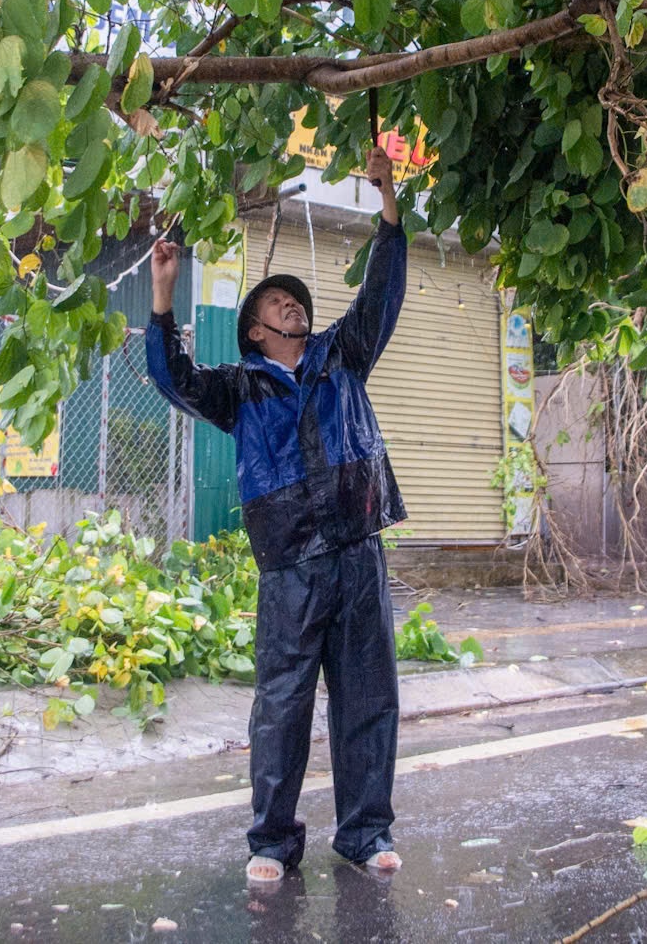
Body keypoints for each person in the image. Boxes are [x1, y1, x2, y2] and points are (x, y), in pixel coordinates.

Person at [146, 144, 408, 886]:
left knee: (367, 697)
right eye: (275, 303)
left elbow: (381, 294)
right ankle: (271, 841)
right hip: (290, 567)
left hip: (357, 554)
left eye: (295, 300)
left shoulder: (341, 355)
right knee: (283, 707)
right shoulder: (238, 389)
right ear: (255, 331)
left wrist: (388, 204)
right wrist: (163, 296)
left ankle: (365, 833)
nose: (291, 304)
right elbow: (172, 377)